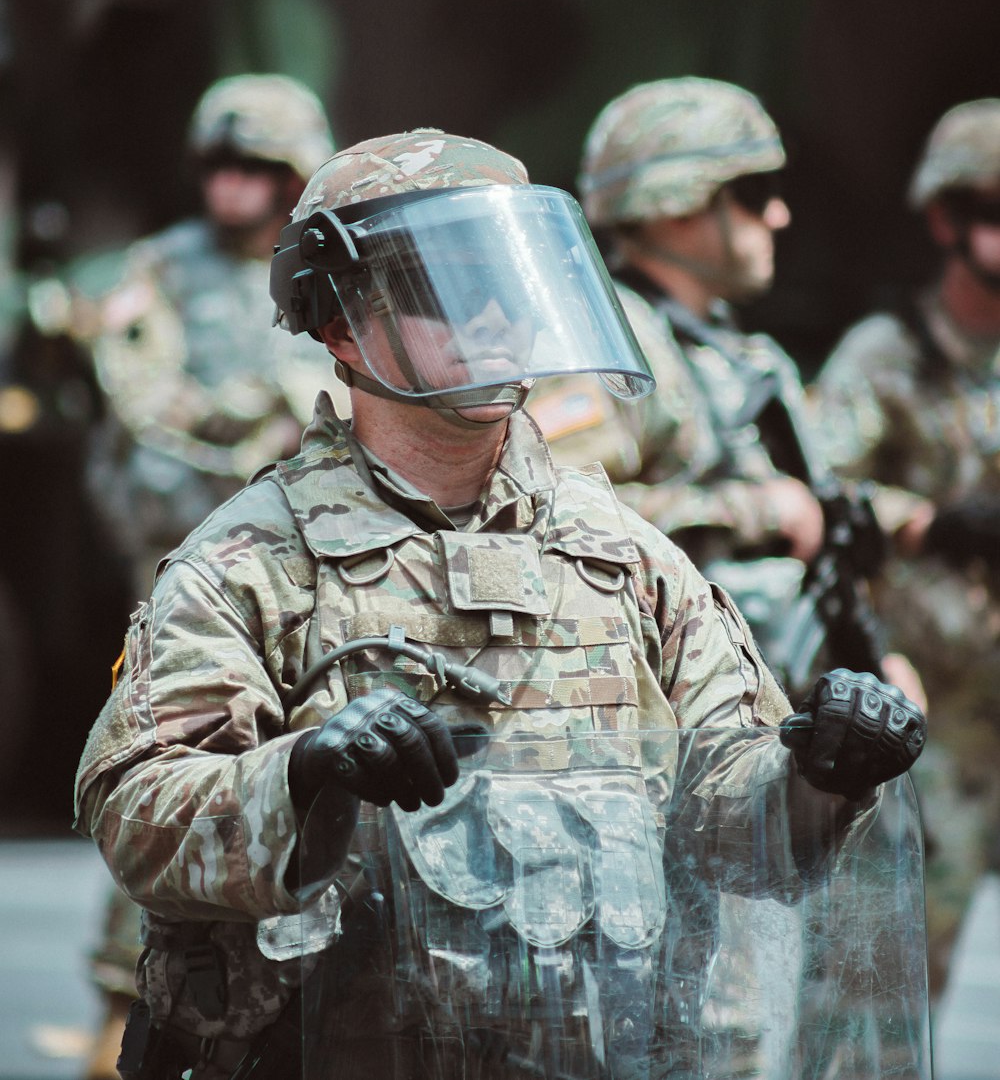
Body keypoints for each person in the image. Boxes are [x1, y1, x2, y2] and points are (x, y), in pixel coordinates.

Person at [73, 128, 925, 1080]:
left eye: (508, 282)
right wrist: (302, 773)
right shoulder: (251, 561)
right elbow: (136, 810)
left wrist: (824, 771)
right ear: (342, 324)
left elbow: (735, 828)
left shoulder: (626, 555)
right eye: (442, 285)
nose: (493, 315)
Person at [78, 73, 342, 1080]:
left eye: (261, 166)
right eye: (222, 163)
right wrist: (262, 409)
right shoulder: (154, 274)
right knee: (174, 759)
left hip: (306, 573)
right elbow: (148, 417)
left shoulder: (326, 269)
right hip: (190, 570)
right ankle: (124, 993)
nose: (237, 184)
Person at [528, 76, 922, 708]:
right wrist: (755, 513)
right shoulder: (608, 348)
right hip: (669, 729)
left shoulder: (734, 352)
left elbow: (814, 504)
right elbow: (545, 519)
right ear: (678, 204)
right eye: (754, 192)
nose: (778, 214)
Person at [810, 97, 1000, 998]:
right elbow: (818, 497)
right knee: (897, 973)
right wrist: (929, 518)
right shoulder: (885, 355)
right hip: (932, 712)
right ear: (947, 220)